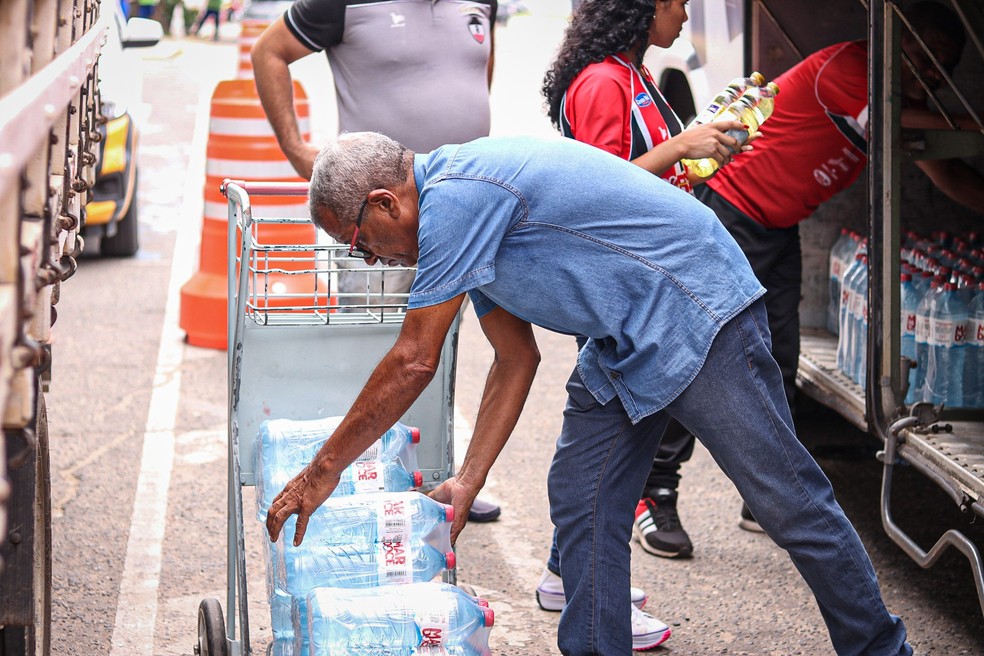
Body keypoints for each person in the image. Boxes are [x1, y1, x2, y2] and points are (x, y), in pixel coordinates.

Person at [266, 130, 913, 656]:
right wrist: (467, 482)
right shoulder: (459, 222)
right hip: (624, 333)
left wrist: (323, 471)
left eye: (358, 245)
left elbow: (414, 360)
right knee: (582, 496)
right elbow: (515, 360)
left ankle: (881, 649)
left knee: (786, 499)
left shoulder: (456, 201)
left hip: (689, 305)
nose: (370, 261)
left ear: (384, 204)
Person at [694, 0, 984, 531]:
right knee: (703, 354)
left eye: (945, 64)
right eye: (926, 55)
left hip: (777, 227)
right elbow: (891, 116)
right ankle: (657, 493)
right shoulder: (852, 68)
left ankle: (767, 498)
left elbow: (951, 177)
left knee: (779, 357)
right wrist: (974, 122)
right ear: (899, 45)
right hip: (731, 213)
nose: (932, 73)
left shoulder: (906, 95)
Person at [250, 0, 503, 524]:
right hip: (382, 220)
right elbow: (268, 51)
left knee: (441, 353)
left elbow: (477, 72)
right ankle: (370, 484)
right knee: (382, 355)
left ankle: (438, 481)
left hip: (465, 218)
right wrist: (301, 153)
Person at [537, 0, 752, 579]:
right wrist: (684, 146)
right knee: (604, 455)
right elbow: (601, 190)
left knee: (605, 454)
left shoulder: (633, 73)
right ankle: (574, 578)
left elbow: (646, 168)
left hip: (651, 286)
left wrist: (700, 153)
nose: (684, 13)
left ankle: (568, 574)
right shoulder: (604, 79)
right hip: (631, 293)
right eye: (676, 1)